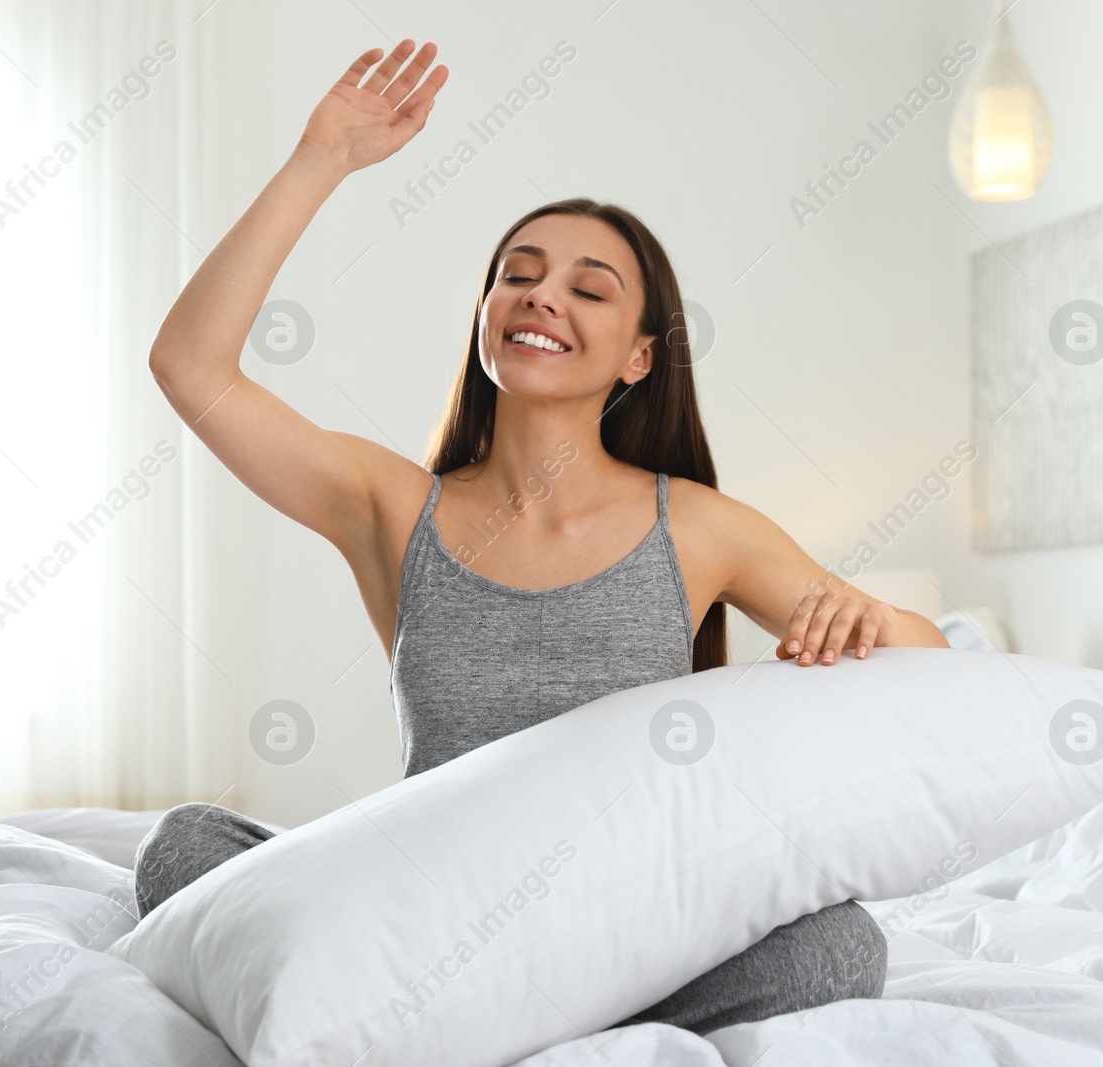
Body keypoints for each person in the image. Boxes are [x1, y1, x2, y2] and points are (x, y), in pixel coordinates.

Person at [136, 39, 948, 1035]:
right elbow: (189, 363)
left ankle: (512, 1025)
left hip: (627, 921)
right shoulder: (391, 505)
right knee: (185, 846)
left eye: (589, 287)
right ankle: (490, 1017)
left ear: (641, 356)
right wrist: (322, 159)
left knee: (836, 945)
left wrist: (864, 615)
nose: (541, 295)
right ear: (485, 316)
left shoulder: (693, 524)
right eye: (517, 275)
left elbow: (933, 663)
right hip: (430, 909)